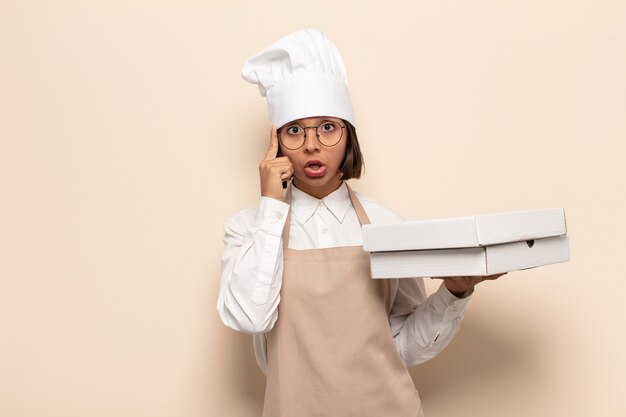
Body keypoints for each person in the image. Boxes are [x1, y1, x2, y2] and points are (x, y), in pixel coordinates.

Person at [217, 29, 504, 417]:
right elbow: (250, 318)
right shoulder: (250, 229)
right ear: (277, 143)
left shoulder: (387, 225)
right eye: (295, 130)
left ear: (348, 135)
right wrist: (270, 205)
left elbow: (401, 347)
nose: (312, 145)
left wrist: (452, 293)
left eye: (328, 127)